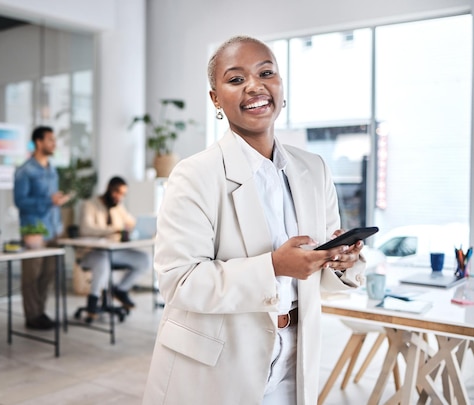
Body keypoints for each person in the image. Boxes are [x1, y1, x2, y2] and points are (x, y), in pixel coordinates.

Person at [142, 36, 366, 405]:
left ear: (280, 85)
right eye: (235, 79)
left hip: (296, 355)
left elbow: (320, 272)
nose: (254, 86)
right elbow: (180, 281)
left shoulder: (314, 168)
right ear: (215, 98)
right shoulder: (193, 175)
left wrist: (340, 260)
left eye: (266, 72)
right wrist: (275, 266)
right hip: (216, 364)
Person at [13, 126, 71, 330]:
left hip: (53, 228)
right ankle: (32, 315)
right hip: (34, 230)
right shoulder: (25, 171)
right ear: (38, 142)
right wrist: (48, 200)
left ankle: (41, 312)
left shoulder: (51, 169)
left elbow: (51, 199)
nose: (54, 144)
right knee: (32, 275)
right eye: (50, 140)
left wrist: (57, 200)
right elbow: (20, 201)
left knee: (48, 273)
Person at [78, 176, 150, 318]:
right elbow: (86, 228)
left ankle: (121, 290)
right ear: (109, 188)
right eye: (117, 192)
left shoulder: (119, 207)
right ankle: (93, 300)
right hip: (91, 253)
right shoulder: (90, 205)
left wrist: (139, 228)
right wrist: (113, 229)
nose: (119, 197)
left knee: (144, 259)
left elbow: (131, 222)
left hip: (114, 251)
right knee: (102, 259)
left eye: (123, 194)